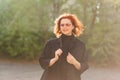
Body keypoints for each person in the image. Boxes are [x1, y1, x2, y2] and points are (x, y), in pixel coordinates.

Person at [39, 13, 89, 80]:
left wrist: (74, 62)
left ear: (73, 26)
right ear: (59, 27)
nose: (64, 27)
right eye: (62, 25)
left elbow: (85, 65)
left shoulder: (80, 45)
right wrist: (54, 59)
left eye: (67, 25)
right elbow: (42, 61)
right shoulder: (50, 43)